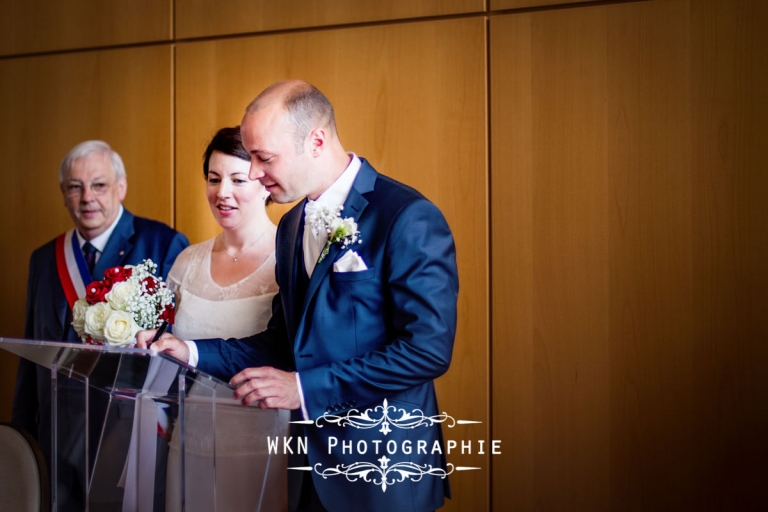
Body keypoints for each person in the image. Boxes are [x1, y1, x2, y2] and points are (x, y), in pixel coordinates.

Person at [139, 80, 459, 512]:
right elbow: (283, 341)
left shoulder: (406, 216)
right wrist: (191, 351)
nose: (254, 172)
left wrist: (303, 389)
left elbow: (427, 351)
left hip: (383, 469)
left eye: (263, 157)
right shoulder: (291, 227)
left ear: (316, 141)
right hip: (306, 468)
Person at [12, 140, 189, 511]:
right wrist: (22, 432)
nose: (87, 198)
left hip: (127, 430)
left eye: (99, 185)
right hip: (57, 433)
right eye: (75, 187)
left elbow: (174, 350)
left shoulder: (163, 244)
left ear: (121, 187)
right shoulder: (44, 259)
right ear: (64, 194)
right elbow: (30, 359)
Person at [164, 126, 279, 511]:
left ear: (264, 184)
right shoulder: (187, 261)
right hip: (192, 434)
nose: (222, 192)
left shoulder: (288, 259)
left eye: (237, 180)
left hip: (261, 438)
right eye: (214, 179)